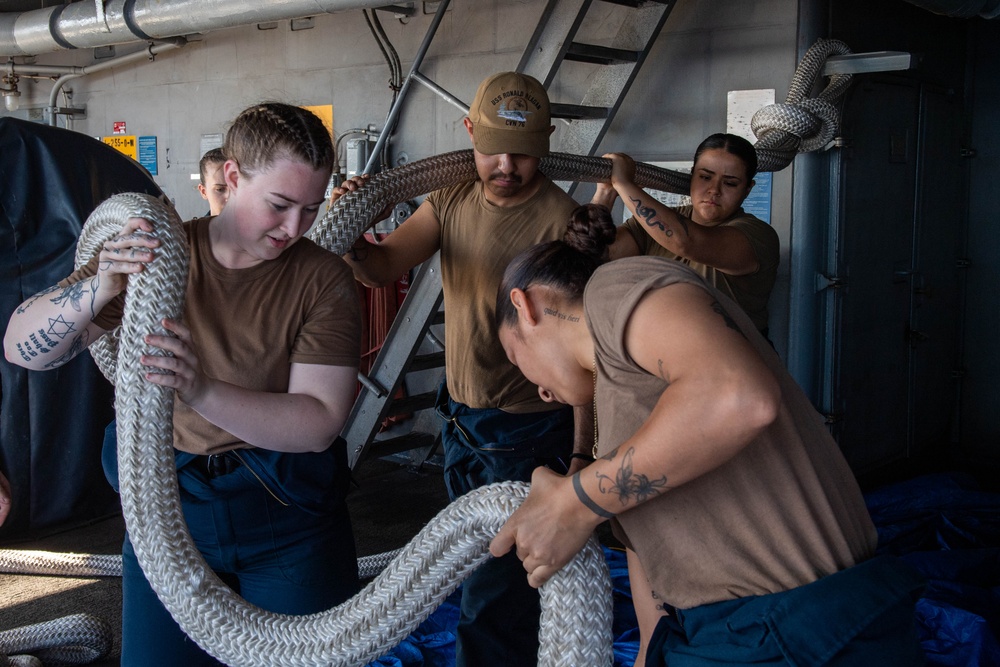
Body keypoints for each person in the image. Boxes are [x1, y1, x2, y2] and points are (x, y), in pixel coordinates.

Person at [489, 203, 926, 666]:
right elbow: (654, 572)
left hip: (800, 626)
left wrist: (573, 504)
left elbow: (736, 396)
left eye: (517, 360)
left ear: (527, 306)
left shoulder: (612, 289)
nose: (539, 388)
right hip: (727, 633)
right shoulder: (626, 407)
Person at [3, 102, 362, 666]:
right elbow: (22, 346)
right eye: (280, 204)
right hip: (168, 512)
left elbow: (317, 422)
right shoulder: (158, 255)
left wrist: (200, 390)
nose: (295, 228)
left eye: (311, 208)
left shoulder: (324, 280)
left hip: (286, 513)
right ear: (232, 177)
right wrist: (98, 288)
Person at [335, 71, 589, 666]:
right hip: (461, 421)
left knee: (493, 588)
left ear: (547, 143)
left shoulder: (565, 224)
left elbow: (588, 355)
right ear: (469, 131)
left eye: (524, 153)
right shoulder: (450, 198)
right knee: (478, 566)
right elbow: (380, 267)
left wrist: (581, 456)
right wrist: (351, 236)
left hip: (528, 430)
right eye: (492, 148)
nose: (506, 164)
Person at [594, 133, 779, 338]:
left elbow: (686, 242)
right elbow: (592, 254)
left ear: (747, 189)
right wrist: (606, 193)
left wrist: (623, 183)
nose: (713, 190)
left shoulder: (758, 235)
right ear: (692, 175)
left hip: (727, 362)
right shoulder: (654, 225)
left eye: (730, 183)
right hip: (664, 357)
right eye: (705, 177)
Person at [196, 147, 229, 216]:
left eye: (237, 189)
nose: (230, 197)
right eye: (220, 189)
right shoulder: (192, 227)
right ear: (204, 191)